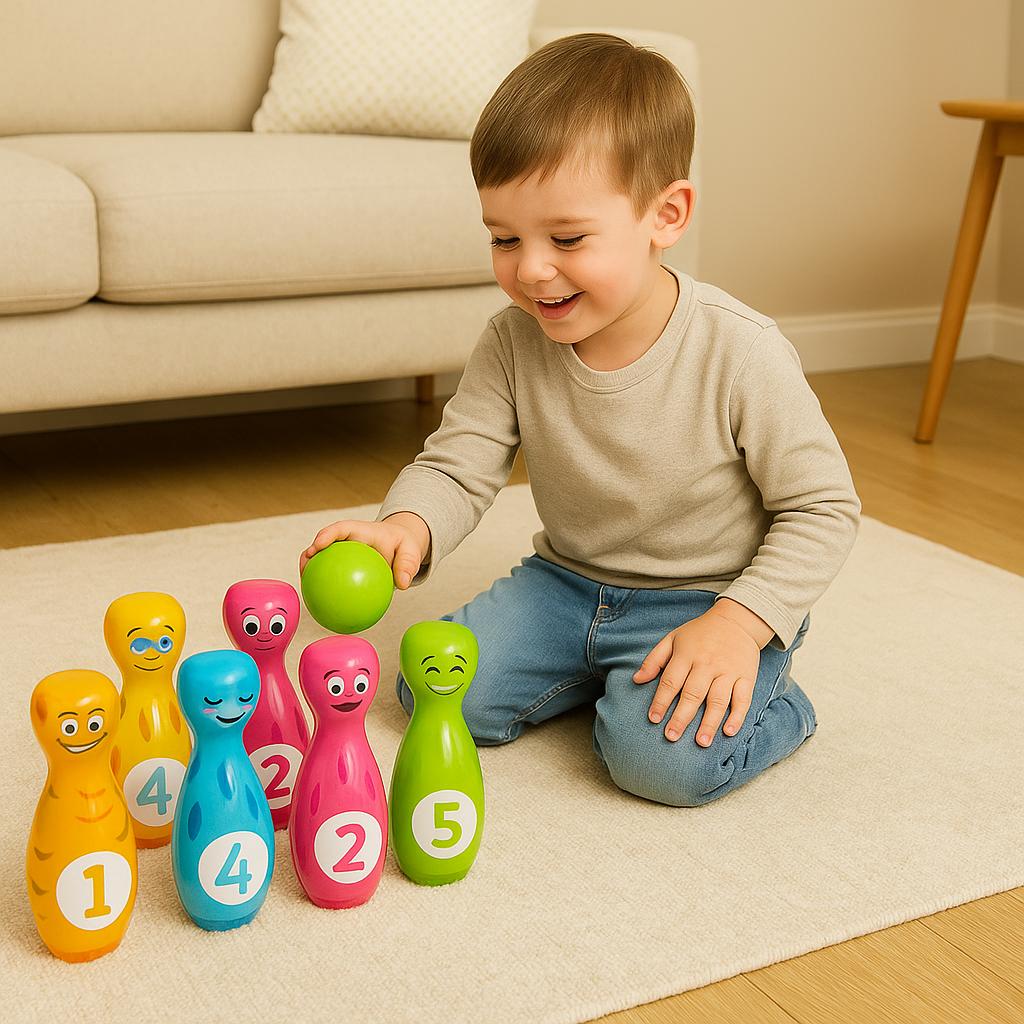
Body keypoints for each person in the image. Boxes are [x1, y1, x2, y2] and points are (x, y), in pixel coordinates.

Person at [300, 32, 860, 807]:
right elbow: (458, 465)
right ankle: (601, 679)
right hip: (566, 584)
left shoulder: (742, 350)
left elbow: (824, 508)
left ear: (667, 214)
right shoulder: (511, 340)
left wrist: (741, 622)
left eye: (566, 238)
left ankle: (776, 703)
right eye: (504, 238)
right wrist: (404, 528)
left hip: (708, 598)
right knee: (429, 691)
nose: (530, 268)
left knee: (658, 764)